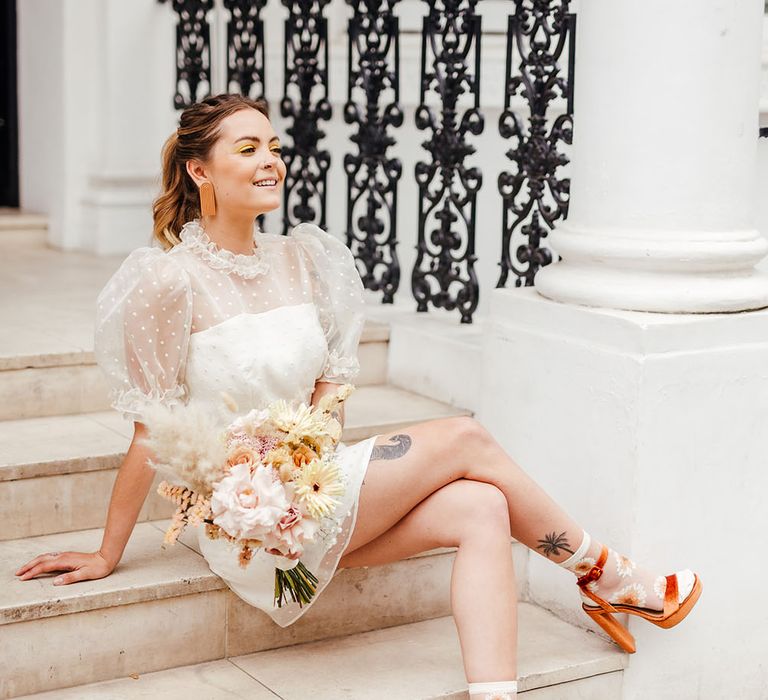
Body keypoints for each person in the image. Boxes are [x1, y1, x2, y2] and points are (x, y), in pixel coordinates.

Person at [15, 94, 702, 700]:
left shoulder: (305, 260)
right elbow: (152, 432)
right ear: (199, 170)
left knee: (483, 507)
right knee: (465, 438)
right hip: (243, 518)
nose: (271, 161)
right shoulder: (168, 282)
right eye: (247, 148)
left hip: (314, 491)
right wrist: (107, 553)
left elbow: (330, 388)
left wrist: (313, 468)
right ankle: (610, 578)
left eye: (276, 148)